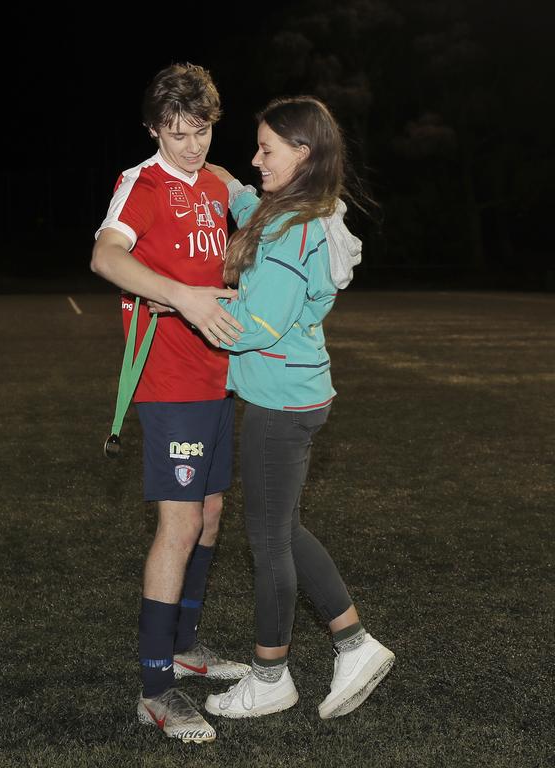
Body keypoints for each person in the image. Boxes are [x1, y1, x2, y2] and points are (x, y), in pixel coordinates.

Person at [201, 97, 393, 721]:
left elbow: (261, 321)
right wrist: (226, 182)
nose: (255, 160)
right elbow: (250, 204)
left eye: (267, 150)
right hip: (301, 392)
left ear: (303, 155)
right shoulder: (301, 212)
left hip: (277, 403)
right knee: (284, 529)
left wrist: (190, 308)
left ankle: (271, 674)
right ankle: (354, 643)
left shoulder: (290, 229)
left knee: (267, 540)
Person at [90, 62, 249, 744]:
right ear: (155, 129)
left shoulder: (220, 184)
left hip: (219, 380)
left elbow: (263, 218)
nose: (192, 145)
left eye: (203, 130)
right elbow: (105, 256)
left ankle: (185, 645)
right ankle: (156, 688)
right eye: (177, 132)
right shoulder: (142, 183)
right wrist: (178, 294)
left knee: (212, 516)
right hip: (168, 385)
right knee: (180, 526)